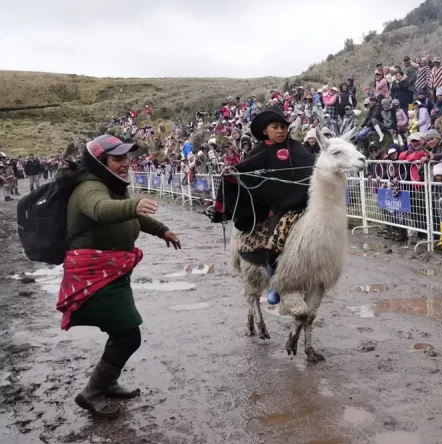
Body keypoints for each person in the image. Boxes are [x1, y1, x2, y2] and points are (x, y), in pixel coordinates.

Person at [59, 135, 181, 418]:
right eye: (118, 159)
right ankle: (92, 393)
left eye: (127, 158)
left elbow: (132, 216)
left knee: (120, 331)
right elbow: (101, 210)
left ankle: (108, 382)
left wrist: (162, 229)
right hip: (94, 274)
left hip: (112, 271)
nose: (126, 163)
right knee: (128, 335)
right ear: (101, 163)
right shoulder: (90, 187)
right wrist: (132, 204)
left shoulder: (112, 186)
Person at [208, 106, 317, 305]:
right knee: (275, 236)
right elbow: (244, 170)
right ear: (265, 130)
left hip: (302, 201)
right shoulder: (260, 150)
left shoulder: (297, 148)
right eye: (275, 127)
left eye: (283, 126)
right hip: (276, 206)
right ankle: (275, 279)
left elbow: (313, 164)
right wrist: (232, 172)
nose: (281, 130)